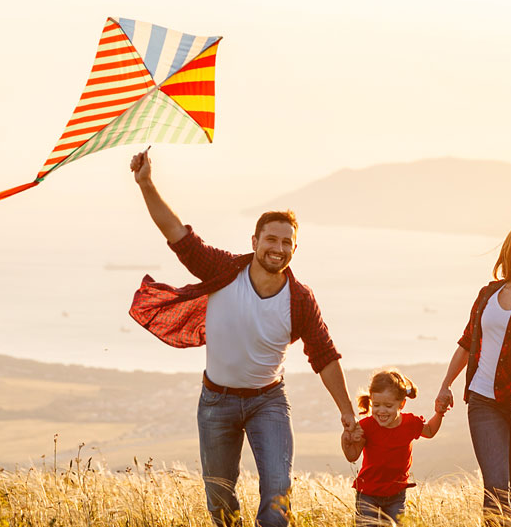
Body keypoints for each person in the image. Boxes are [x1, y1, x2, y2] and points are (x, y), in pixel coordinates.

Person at [125, 148, 357, 527]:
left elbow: (325, 356)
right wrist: (146, 183)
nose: (278, 248)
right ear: (255, 241)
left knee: (278, 492)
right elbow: (177, 234)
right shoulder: (223, 269)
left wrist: (347, 412)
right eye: (271, 239)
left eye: (286, 243)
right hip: (216, 401)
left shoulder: (299, 299)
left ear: (294, 249)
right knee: (219, 497)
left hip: (269, 402)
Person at [433, 218, 511, 527]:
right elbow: (467, 342)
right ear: (510, 249)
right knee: (496, 489)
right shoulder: (487, 294)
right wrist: (446, 384)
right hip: (484, 402)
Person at [340, 369, 448, 526]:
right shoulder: (366, 426)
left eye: (388, 406)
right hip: (367, 494)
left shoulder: (410, 423)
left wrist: (439, 414)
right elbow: (352, 456)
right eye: (376, 405)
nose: (381, 411)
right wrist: (346, 440)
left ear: (401, 404)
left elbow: (430, 431)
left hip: (396, 495)